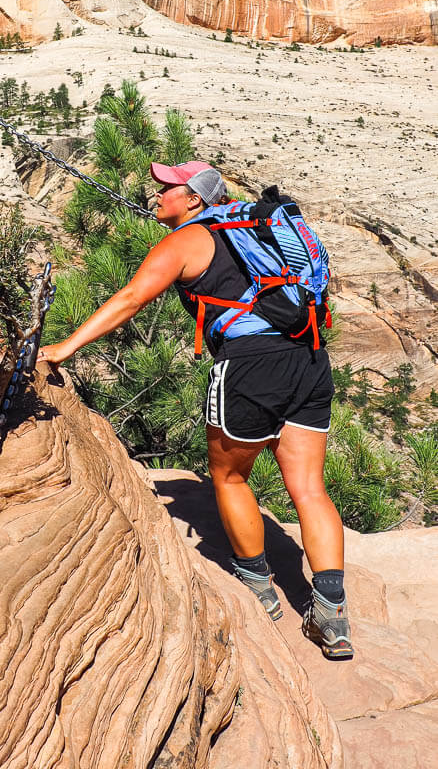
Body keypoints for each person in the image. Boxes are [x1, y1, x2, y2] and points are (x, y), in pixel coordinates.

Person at [39, 160, 353, 660]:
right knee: (309, 487)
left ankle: (259, 588)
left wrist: (65, 347)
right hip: (309, 357)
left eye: (168, 187)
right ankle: (332, 615)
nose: (157, 192)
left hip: (250, 366)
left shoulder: (185, 242)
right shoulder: (255, 226)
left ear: (193, 200)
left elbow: (131, 298)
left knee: (229, 478)